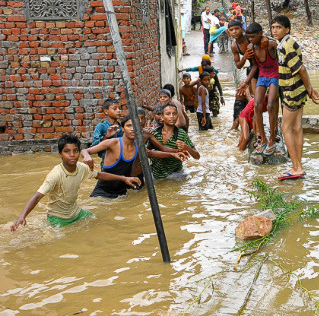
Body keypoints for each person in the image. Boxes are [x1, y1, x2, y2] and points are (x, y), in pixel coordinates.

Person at [10, 134, 141, 231]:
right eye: (67, 151)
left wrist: (124, 178)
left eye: (75, 151)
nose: (72, 155)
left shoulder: (81, 168)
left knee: (98, 223)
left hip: (76, 213)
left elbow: (99, 175)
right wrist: (22, 216)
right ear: (60, 154)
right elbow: (37, 196)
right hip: (58, 218)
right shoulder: (55, 174)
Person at [81, 116, 187, 198]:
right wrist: (86, 157)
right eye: (128, 126)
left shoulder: (138, 146)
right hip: (103, 193)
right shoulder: (113, 143)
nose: (132, 129)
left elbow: (151, 153)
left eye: (135, 126)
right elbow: (85, 150)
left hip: (122, 193)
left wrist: (173, 154)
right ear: (122, 128)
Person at [271, 15, 319, 180]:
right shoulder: (286, 43)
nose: (275, 30)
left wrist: (310, 89)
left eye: (278, 27)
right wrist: (307, 90)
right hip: (296, 90)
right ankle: (298, 165)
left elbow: (302, 69)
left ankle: (296, 167)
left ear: (287, 29)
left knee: (285, 128)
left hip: (291, 91)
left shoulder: (286, 45)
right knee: (297, 127)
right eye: (273, 27)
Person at [238, 22, 280, 156]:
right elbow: (255, 66)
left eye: (252, 37)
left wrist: (267, 38)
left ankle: (272, 139)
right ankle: (263, 138)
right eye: (248, 37)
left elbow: (281, 48)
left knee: (271, 104)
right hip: (262, 75)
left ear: (260, 35)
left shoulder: (270, 45)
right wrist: (246, 81)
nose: (250, 40)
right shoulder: (251, 48)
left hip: (274, 75)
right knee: (257, 104)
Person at [151, 103, 200, 179]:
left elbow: (197, 156)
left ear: (177, 116)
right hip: (156, 175)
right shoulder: (154, 133)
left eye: (174, 114)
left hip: (175, 175)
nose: (171, 116)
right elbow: (145, 153)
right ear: (162, 117)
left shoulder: (181, 134)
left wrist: (187, 148)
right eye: (168, 114)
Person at [229, 19, 258, 104]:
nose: (234, 32)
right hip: (253, 67)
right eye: (231, 30)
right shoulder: (234, 46)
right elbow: (238, 65)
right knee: (255, 98)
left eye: (237, 29)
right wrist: (245, 57)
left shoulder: (250, 38)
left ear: (242, 29)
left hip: (262, 65)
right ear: (229, 32)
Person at [92, 98, 124, 167]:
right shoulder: (101, 127)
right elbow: (95, 146)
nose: (118, 111)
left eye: (119, 108)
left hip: (123, 162)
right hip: (107, 163)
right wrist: (106, 136)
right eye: (115, 109)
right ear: (106, 111)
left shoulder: (122, 127)